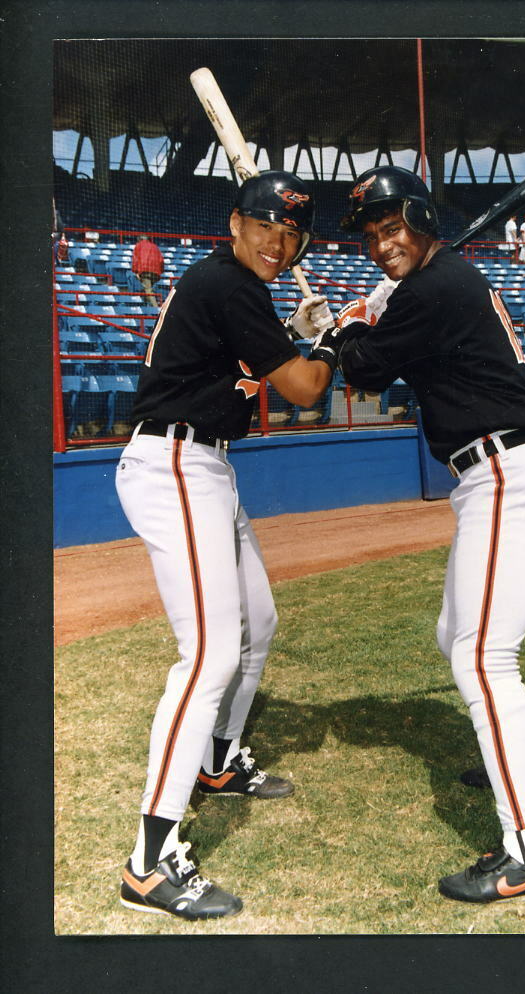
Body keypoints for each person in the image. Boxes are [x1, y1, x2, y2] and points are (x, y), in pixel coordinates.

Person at [315, 166, 525, 904]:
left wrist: (343, 327)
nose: (380, 243)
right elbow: (380, 352)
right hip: (494, 473)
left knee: (481, 657)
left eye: (392, 227)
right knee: (453, 634)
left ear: (423, 221)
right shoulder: (436, 284)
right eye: (370, 235)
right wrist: (366, 317)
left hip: (506, 474)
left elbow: (361, 371)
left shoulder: (436, 288)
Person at [115, 170, 338, 921]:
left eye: (292, 232)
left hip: (205, 463)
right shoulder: (227, 284)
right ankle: (149, 862)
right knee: (209, 653)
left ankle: (217, 759)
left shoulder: (241, 289)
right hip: (174, 460)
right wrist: (334, 336)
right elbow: (307, 389)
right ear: (234, 224)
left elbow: (282, 364)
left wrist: (307, 333)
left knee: (257, 624)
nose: (279, 242)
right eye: (265, 225)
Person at [131, 235, 165, 307]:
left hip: (145, 271)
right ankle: (146, 307)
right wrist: (160, 271)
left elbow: (135, 259)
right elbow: (161, 260)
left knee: (148, 290)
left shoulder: (139, 245)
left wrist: (135, 271)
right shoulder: (155, 247)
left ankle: (156, 308)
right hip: (155, 272)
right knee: (146, 289)